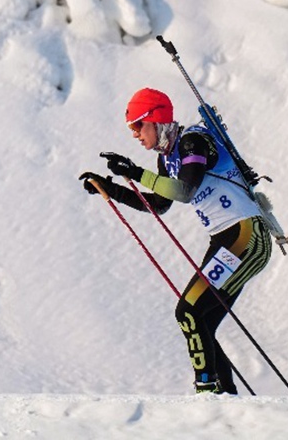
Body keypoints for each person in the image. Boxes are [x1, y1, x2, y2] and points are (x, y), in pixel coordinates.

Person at [79, 87, 272, 394]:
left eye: (137, 126)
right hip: (227, 239)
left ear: (155, 119)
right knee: (201, 320)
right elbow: (158, 204)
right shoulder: (166, 160)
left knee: (189, 311)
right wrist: (110, 188)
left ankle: (207, 392)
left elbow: (185, 191)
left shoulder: (193, 142)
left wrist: (134, 171)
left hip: (245, 234)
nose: (134, 135)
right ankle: (227, 400)